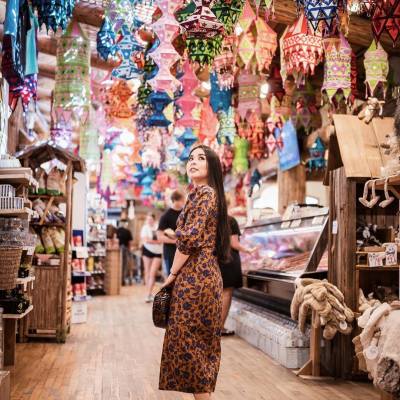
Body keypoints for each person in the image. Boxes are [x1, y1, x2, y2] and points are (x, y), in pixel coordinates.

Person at [159, 145, 230, 400]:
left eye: (201, 158)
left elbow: (188, 241)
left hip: (196, 278)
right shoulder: (199, 194)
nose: (193, 162)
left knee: (193, 344)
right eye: (190, 158)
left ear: (212, 166)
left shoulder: (206, 194)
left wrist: (172, 275)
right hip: (200, 276)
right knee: (194, 343)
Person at [219, 206, 255, 336]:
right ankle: (220, 327)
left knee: (214, 294)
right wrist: (248, 250)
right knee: (226, 293)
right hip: (228, 259)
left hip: (213, 260)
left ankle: (211, 327)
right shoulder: (230, 221)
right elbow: (233, 243)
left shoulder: (209, 219)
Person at [157, 190, 185, 276]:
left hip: (184, 252)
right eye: (182, 200)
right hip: (170, 252)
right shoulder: (165, 216)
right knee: (171, 278)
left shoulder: (186, 213)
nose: (184, 202)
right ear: (175, 200)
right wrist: (175, 241)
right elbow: (160, 237)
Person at [140, 213, 162, 303]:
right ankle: (148, 293)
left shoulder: (158, 227)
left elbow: (162, 238)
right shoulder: (145, 228)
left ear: (154, 219)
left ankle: (149, 293)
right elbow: (145, 240)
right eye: (148, 219)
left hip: (158, 252)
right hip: (147, 251)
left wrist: (154, 241)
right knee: (147, 271)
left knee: (153, 273)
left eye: (151, 219)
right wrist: (156, 241)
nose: (149, 221)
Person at [116, 221, 133, 285]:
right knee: (125, 265)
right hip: (125, 249)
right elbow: (130, 243)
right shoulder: (128, 231)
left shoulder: (117, 230)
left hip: (117, 250)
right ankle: (122, 280)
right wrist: (130, 250)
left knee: (119, 265)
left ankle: (118, 280)